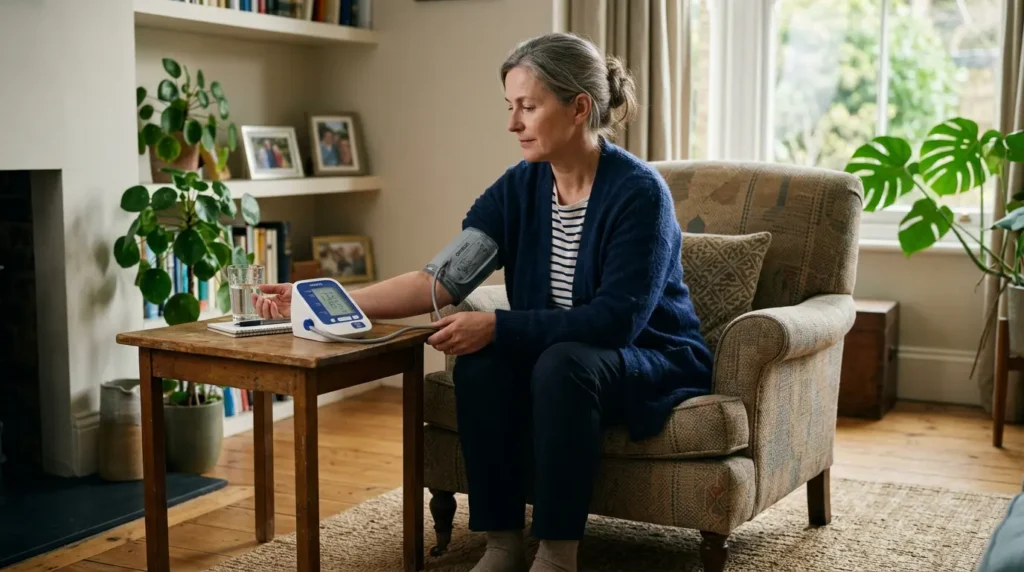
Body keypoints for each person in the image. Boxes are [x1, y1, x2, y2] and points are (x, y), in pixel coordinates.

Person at [252, 31, 713, 572]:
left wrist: (498, 326)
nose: (512, 123)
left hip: (647, 357)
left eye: (528, 107)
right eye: (509, 106)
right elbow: (439, 282)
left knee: (561, 363)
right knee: (482, 363)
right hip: (560, 359)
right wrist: (322, 296)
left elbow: (616, 322)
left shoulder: (639, 192)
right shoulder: (518, 188)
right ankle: (502, 544)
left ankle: (559, 555)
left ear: (578, 107)